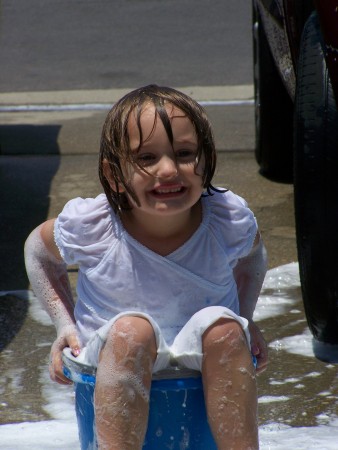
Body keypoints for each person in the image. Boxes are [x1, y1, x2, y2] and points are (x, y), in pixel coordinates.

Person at [25, 85, 268, 450]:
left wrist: (245, 319)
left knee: (224, 328)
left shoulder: (226, 221)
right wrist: (65, 325)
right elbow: (37, 252)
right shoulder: (94, 227)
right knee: (133, 331)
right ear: (113, 175)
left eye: (185, 153)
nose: (169, 169)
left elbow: (253, 256)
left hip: (198, 364)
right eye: (147, 158)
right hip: (110, 356)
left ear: (206, 159)